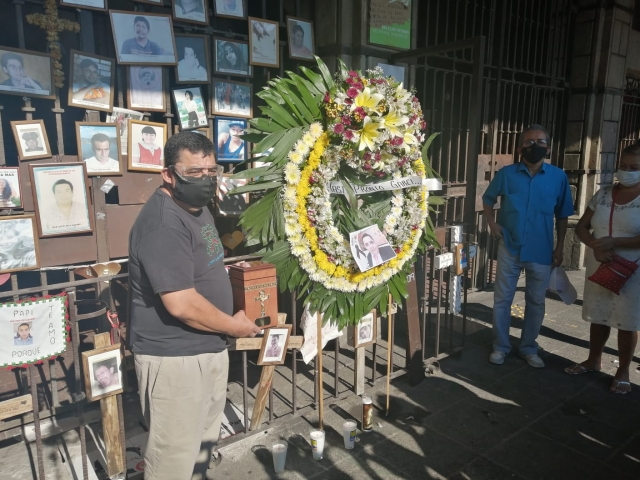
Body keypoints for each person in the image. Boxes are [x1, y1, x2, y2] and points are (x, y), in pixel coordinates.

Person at [128, 132, 260, 479]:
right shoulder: (162, 224)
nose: (204, 180)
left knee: (201, 450)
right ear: (169, 175)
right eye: (194, 173)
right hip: (176, 361)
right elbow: (182, 304)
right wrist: (235, 327)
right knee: (173, 461)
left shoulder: (198, 209)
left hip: (207, 349)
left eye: (210, 171)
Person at [483, 124, 574, 368]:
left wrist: (559, 247)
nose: (535, 146)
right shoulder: (507, 174)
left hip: (541, 249)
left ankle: (528, 347)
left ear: (548, 147)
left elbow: (563, 214)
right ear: (520, 147)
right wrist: (492, 223)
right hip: (510, 246)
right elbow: (488, 199)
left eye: (540, 141)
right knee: (503, 299)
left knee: (536, 301)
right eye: (529, 142)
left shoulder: (558, 177)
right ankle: (500, 346)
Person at [564, 144, 640, 394]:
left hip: (632, 269)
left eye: (634, 168)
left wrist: (615, 242)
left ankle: (623, 371)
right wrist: (594, 246)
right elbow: (582, 226)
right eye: (623, 165)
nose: (626, 171)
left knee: (627, 320)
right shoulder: (604, 194)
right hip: (600, 262)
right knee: (599, 313)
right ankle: (593, 359)